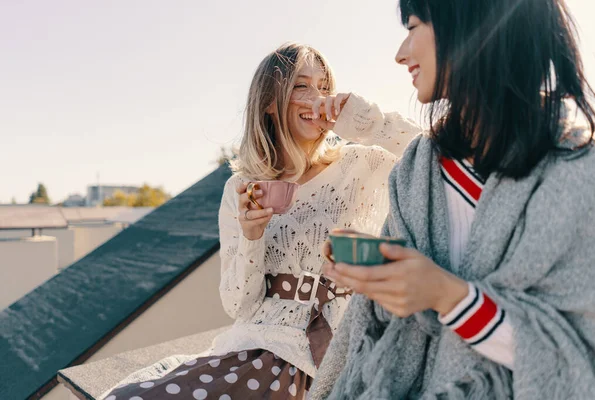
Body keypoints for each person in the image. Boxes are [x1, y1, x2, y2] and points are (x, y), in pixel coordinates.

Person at [310, 1, 595, 399]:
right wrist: (378, 275)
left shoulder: (580, 176)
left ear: (469, 23)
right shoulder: (417, 170)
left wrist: (449, 296)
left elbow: (583, 358)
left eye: (413, 27)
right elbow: (363, 332)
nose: (400, 54)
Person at [102, 42, 421, 400]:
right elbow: (239, 306)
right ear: (270, 102)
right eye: (301, 86)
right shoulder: (241, 187)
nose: (316, 96)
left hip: (340, 348)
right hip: (259, 347)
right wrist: (251, 236)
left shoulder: (364, 164)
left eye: (324, 86)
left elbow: (437, 154)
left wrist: (364, 121)